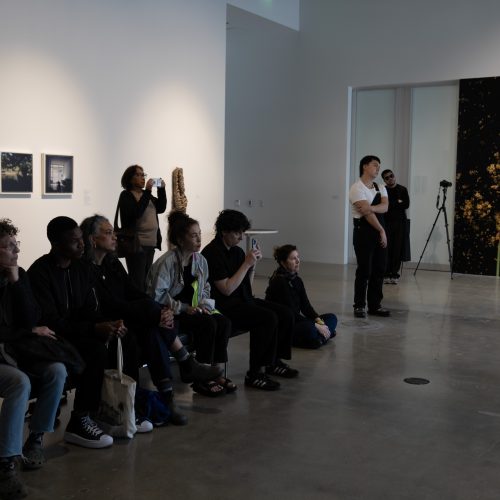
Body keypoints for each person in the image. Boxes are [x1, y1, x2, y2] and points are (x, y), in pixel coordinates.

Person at [80, 215, 222, 422]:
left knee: (154, 331)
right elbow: (109, 304)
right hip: (110, 321)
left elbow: (134, 292)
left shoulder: (112, 263)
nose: (115, 237)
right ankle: (185, 363)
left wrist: (160, 310)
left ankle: (167, 396)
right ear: (93, 239)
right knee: (153, 319)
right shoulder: (86, 270)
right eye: (109, 233)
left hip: (131, 317)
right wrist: (157, 312)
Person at [28, 216, 115, 449]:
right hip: (50, 338)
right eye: (74, 241)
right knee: (95, 350)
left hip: (73, 332)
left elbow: (87, 309)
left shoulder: (81, 268)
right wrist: (93, 328)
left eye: (81, 238)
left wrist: (107, 324)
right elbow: (50, 322)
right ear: (56, 244)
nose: (82, 244)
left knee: (117, 339)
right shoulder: (40, 273)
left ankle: (112, 409)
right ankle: (80, 419)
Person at [0, 219, 67, 500]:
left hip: (16, 351)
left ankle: (36, 438)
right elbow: (26, 327)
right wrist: (27, 331)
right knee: (20, 382)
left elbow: (32, 317)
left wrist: (16, 282)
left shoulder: (20, 275)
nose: (16, 251)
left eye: (16, 245)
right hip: (6, 354)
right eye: (8, 247)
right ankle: (6, 463)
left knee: (57, 370)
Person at [202, 210, 298, 391]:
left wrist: (252, 266)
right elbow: (227, 289)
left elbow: (246, 284)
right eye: (237, 233)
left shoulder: (237, 251)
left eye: (242, 233)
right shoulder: (212, 253)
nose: (240, 237)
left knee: (285, 313)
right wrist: (246, 264)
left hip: (243, 300)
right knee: (267, 318)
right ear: (224, 231)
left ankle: (273, 362)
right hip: (225, 306)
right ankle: (255, 373)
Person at [146, 211, 232, 397]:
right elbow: (156, 295)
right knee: (208, 324)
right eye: (194, 235)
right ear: (180, 239)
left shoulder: (200, 260)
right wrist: (185, 308)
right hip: (173, 312)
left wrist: (204, 305)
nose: (199, 239)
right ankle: (201, 377)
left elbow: (205, 287)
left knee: (223, 322)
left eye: (199, 234)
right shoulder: (166, 262)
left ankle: (216, 373)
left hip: (192, 310)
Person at [265, 245, 338, 349]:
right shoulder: (279, 282)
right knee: (310, 329)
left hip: (297, 321)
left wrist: (319, 321)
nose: (298, 261)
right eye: (293, 259)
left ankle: (320, 339)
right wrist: (315, 325)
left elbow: (306, 307)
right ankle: (324, 336)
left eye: (298, 257)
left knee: (332, 318)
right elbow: (291, 313)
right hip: (284, 324)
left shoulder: (297, 280)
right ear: (283, 262)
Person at [349, 155, 390, 318]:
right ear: (365, 166)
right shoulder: (356, 188)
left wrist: (371, 207)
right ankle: (359, 306)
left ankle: (375, 305)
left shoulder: (381, 187)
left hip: (380, 232)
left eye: (379, 165)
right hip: (364, 233)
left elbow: (385, 207)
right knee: (364, 270)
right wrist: (381, 230)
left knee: (379, 269)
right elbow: (366, 214)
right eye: (374, 165)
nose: (378, 168)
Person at [116, 165, 167, 292]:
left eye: (143, 175)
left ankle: (145, 303)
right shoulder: (126, 195)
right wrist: (148, 191)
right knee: (137, 282)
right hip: (136, 245)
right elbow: (137, 212)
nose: (142, 178)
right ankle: (137, 304)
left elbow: (161, 208)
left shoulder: (146, 195)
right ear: (130, 178)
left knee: (146, 282)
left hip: (151, 244)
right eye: (138, 175)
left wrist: (161, 190)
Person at [381, 169, 410, 284]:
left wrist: (392, 204)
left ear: (394, 176)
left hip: (400, 224)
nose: (390, 178)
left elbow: (406, 204)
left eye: (391, 176)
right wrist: (398, 202)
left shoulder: (402, 189)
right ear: (384, 180)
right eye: (387, 178)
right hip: (386, 223)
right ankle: (386, 274)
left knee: (397, 249)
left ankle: (394, 274)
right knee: (387, 249)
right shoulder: (383, 190)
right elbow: (384, 206)